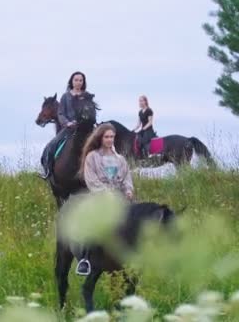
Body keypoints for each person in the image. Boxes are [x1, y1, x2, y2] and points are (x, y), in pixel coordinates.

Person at [75, 123, 134, 275]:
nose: (109, 140)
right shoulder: (92, 157)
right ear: (100, 138)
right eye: (106, 137)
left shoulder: (120, 159)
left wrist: (128, 190)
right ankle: (85, 260)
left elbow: (127, 177)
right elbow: (91, 180)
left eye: (112, 137)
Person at [40, 71, 92, 178]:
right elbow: (61, 113)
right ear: (71, 81)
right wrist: (67, 123)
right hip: (69, 128)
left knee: (104, 142)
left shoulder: (87, 96)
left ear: (83, 82)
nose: (78, 82)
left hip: (85, 127)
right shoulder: (65, 96)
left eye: (81, 80)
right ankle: (48, 171)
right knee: (51, 146)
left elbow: (91, 111)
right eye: (76, 80)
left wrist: (84, 121)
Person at [132, 95, 156, 159]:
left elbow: (150, 122)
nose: (140, 102)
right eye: (139, 101)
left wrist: (143, 129)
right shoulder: (140, 112)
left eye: (141, 101)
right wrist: (133, 129)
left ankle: (147, 156)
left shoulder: (149, 110)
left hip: (148, 131)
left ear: (145, 101)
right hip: (142, 131)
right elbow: (138, 123)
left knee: (142, 141)